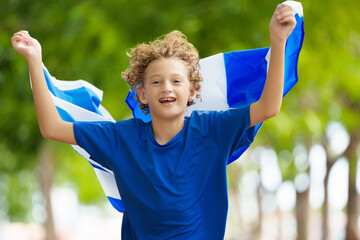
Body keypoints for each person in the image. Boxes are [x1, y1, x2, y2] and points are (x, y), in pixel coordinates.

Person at [12, 3, 296, 239]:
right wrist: (34, 61)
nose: (167, 88)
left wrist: (278, 41)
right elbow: (52, 127)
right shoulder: (120, 138)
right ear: (142, 94)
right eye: (156, 82)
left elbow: (268, 106)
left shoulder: (213, 130)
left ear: (193, 91)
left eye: (176, 81)